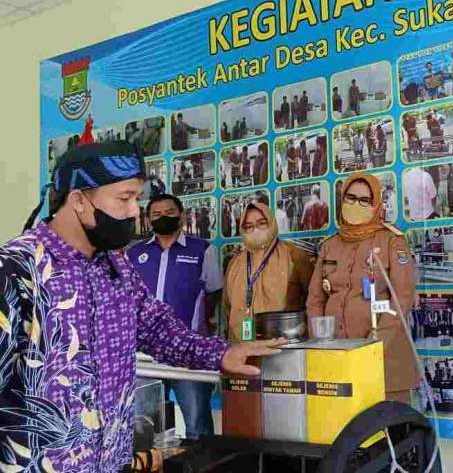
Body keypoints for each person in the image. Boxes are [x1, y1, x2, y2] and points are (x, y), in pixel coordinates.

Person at [1, 141, 282, 472]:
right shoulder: (17, 270)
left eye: (137, 198)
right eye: (125, 198)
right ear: (78, 200)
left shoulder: (116, 266)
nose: (136, 211)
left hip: (112, 463)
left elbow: (156, 328)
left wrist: (219, 354)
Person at [306, 173, 419, 403]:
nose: (355, 204)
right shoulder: (330, 245)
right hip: (336, 359)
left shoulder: (392, 241)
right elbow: (315, 300)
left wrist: (372, 348)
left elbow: (402, 298)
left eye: (364, 200)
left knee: (388, 430)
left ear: (376, 203)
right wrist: (321, 341)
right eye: (350, 198)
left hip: (383, 360)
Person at [128, 194, 223, 441]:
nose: (163, 217)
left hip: (188, 354)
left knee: (197, 425)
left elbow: (213, 295)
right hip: (144, 355)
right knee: (145, 427)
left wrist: (198, 332)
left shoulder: (203, 249)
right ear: (148, 220)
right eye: (156, 214)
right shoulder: (134, 254)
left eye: (169, 212)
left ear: (181, 215)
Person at [224, 201, 315, 341]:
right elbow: (227, 307)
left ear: (271, 223)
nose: (255, 229)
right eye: (249, 226)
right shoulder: (234, 264)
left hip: (284, 348)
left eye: (261, 223)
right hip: (241, 350)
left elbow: (313, 302)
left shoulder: (294, 256)